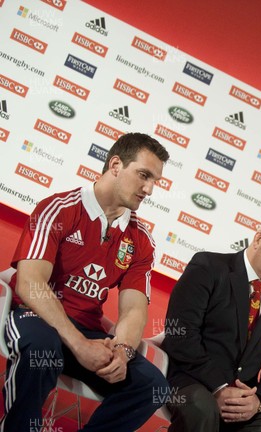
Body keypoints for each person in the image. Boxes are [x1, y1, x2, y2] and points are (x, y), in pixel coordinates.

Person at [1, 133, 171, 431]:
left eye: (155, 181)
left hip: (88, 333)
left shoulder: (141, 240)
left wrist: (122, 351)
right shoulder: (59, 208)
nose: (149, 189)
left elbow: (134, 310)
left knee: (151, 384)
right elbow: (30, 284)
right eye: (144, 175)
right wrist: (78, 343)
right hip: (36, 319)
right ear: (116, 164)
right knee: (44, 347)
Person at [162, 213, 261, 432]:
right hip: (191, 382)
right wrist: (219, 388)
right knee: (202, 408)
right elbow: (181, 335)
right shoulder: (208, 266)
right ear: (257, 239)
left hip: (244, 400)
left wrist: (258, 401)